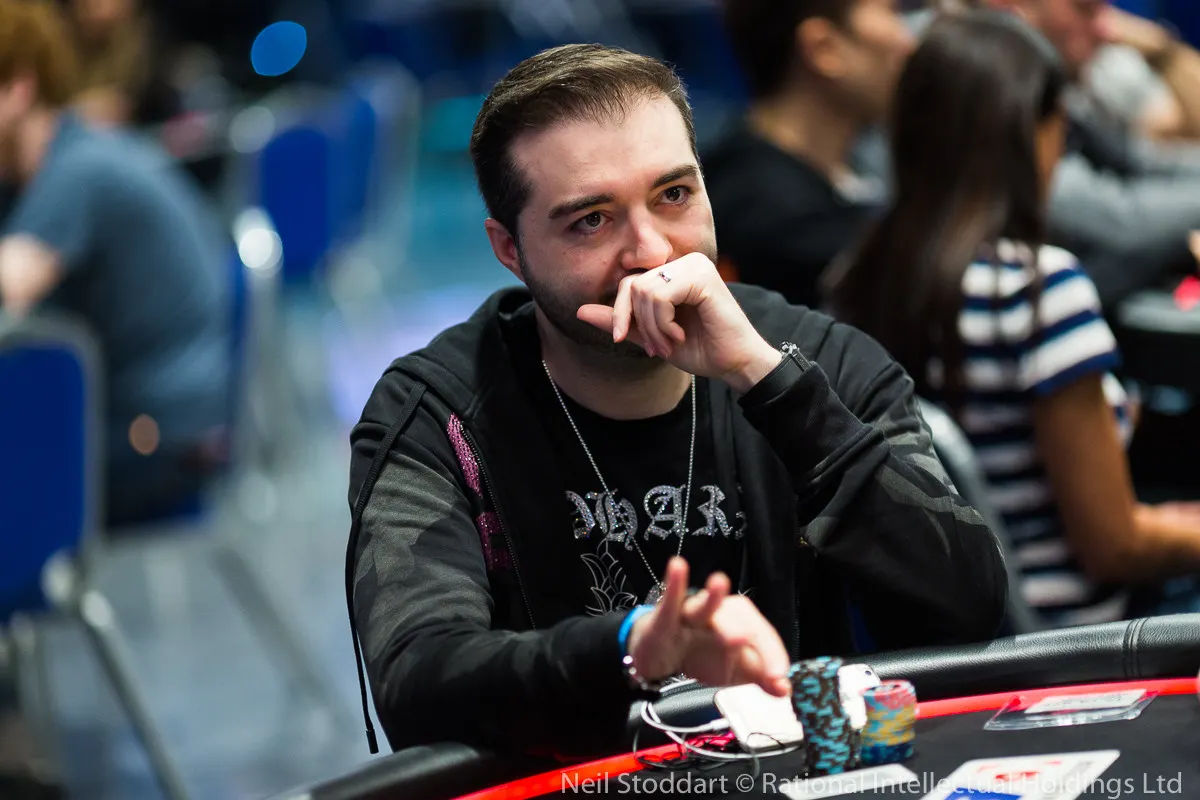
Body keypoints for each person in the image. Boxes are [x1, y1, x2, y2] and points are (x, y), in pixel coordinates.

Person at [346, 43, 1007, 757]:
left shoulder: (819, 358)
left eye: (673, 196)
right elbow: (416, 681)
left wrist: (764, 379)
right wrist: (629, 648)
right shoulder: (437, 414)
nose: (652, 252)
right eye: (591, 220)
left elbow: (968, 606)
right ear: (509, 249)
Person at [826, 10, 1200, 628]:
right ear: (1032, 134)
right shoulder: (1040, 289)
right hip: (1081, 639)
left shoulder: (855, 282)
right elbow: (1115, 546)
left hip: (955, 639)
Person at [0, 0, 231, 525]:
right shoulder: (62, 156)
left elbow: (9, 285)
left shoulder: (77, 171)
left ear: (18, 87)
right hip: (158, 412)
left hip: (160, 435)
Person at [951, 0, 1200, 306]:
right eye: (1084, 9)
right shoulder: (982, 87)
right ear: (1011, 6)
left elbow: (1141, 161)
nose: (1108, 30)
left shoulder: (1068, 83)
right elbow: (1121, 221)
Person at [702, 0, 914, 309]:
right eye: (891, 12)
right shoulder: (771, 213)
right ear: (824, 48)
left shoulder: (840, 171)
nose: (908, 42)